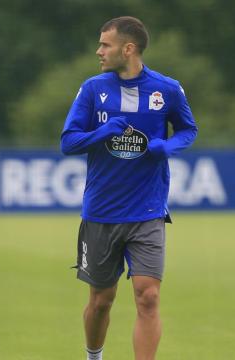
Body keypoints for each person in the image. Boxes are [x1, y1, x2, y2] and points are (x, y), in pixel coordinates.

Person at [60, 16, 197, 360]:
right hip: (102, 211)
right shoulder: (93, 89)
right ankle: (94, 356)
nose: (99, 51)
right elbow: (68, 142)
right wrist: (102, 133)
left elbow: (187, 129)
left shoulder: (167, 89)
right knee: (101, 301)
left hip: (148, 209)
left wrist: (167, 147)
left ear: (128, 48)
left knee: (148, 297)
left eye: (105, 45)